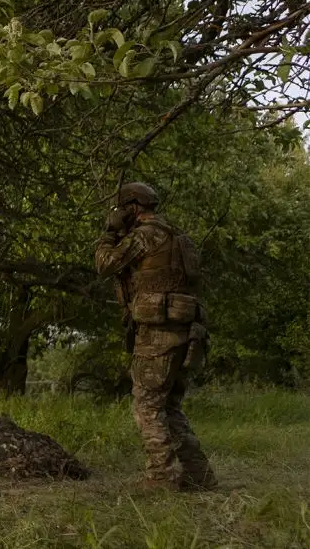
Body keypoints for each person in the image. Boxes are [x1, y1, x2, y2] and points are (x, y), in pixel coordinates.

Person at [95, 182, 217, 491]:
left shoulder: (145, 236)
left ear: (133, 208)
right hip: (187, 330)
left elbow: (105, 264)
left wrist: (109, 233)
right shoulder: (178, 236)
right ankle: (198, 474)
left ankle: (161, 477)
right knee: (170, 406)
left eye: (122, 209)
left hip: (159, 332)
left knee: (146, 404)